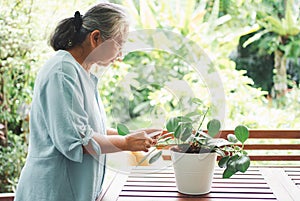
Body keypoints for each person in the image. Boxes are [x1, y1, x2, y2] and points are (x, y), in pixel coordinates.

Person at [15, 3, 159, 201]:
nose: (121, 55)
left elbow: (89, 129)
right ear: (96, 38)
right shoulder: (62, 71)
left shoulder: (82, 72)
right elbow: (78, 140)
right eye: (119, 44)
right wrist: (125, 143)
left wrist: (132, 136)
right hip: (53, 192)